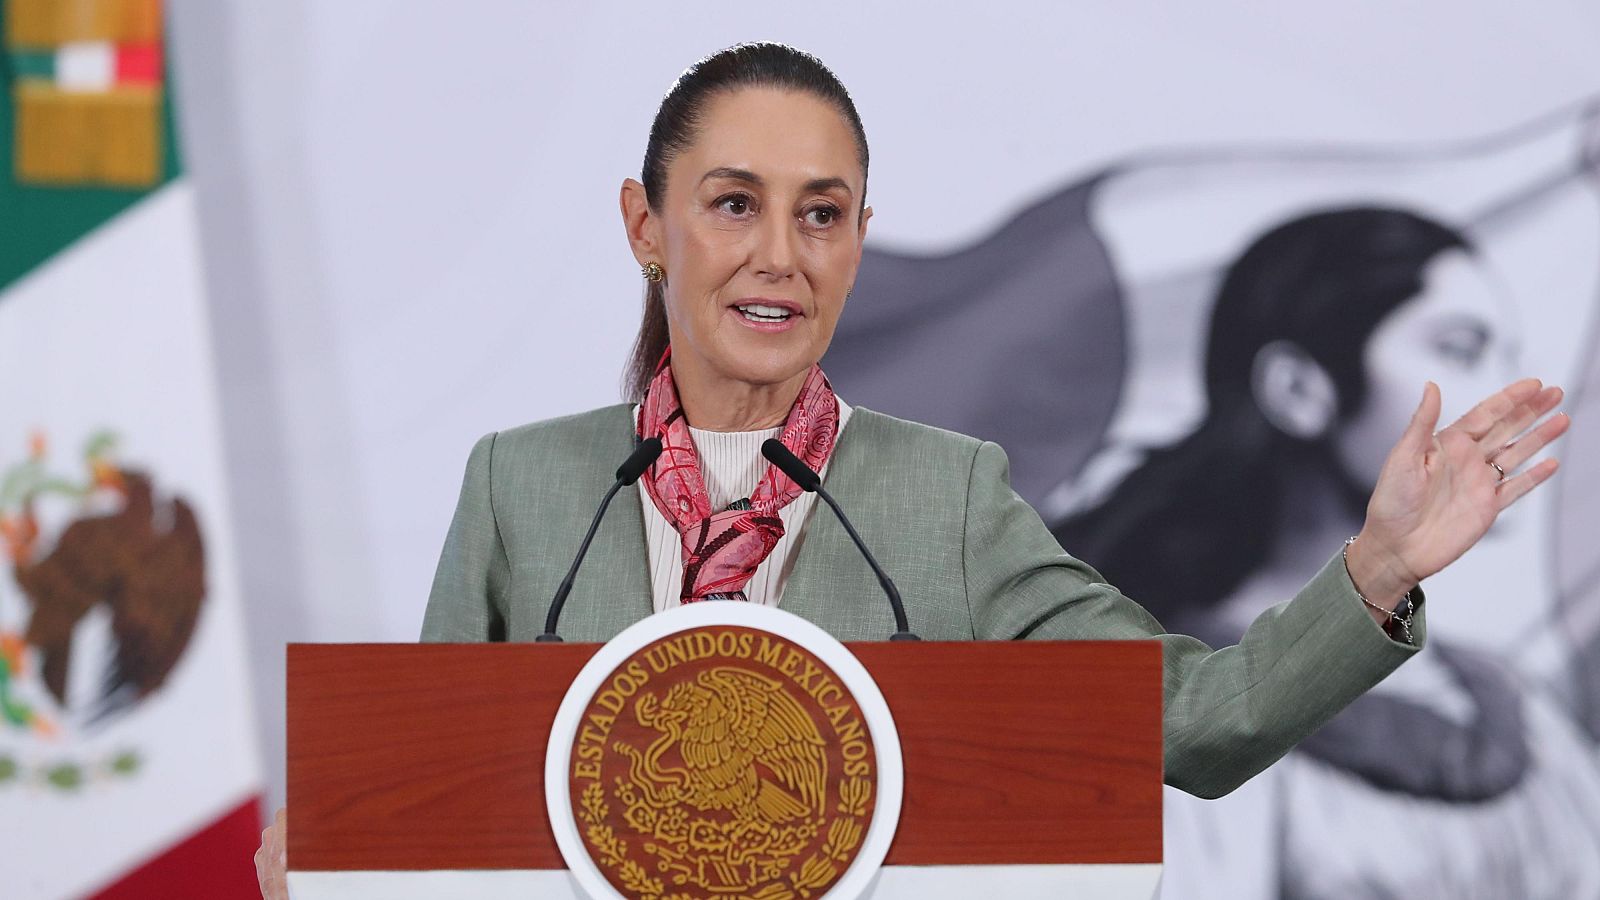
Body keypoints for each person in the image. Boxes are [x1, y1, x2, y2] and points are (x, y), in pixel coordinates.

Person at [255, 43, 1570, 898]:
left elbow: (1204, 724)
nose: (779, 253)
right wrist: (342, 842)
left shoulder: (948, 499)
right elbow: (438, 820)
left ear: (859, 243)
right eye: (732, 204)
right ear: (646, 228)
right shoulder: (518, 488)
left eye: (820, 213)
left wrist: (1382, 568)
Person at [1052, 207, 1600, 897]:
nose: (1511, 401)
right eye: (1462, 350)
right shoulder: (1156, 700)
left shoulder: (1513, 708)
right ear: (1299, 389)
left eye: (1510, 357)